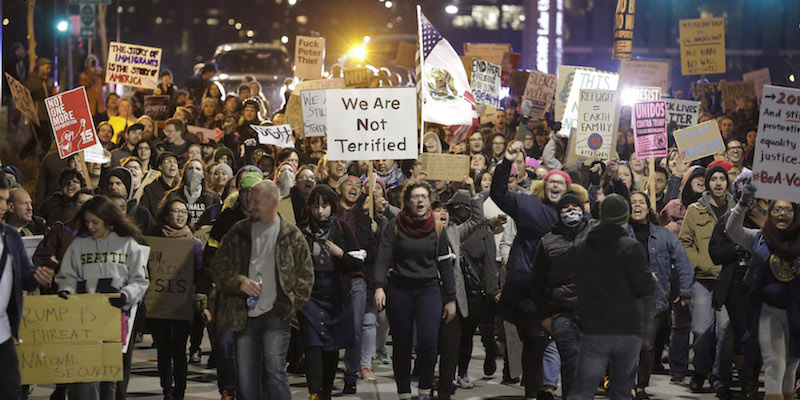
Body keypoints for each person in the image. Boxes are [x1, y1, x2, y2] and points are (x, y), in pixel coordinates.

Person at [209, 180, 314, 400]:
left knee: (274, 372)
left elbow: (306, 276)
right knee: (246, 378)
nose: (251, 205)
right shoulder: (238, 232)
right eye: (249, 199)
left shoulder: (291, 236)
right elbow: (218, 266)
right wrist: (238, 281)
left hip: (277, 315)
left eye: (257, 201)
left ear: (273, 201)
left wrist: (291, 305)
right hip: (242, 315)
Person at [490, 141, 571, 400]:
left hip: (561, 290)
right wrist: (506, 164)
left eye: (561, 183)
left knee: (560, 343)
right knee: (535, 339)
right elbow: (499, 194)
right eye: (551, 182)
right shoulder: (529, 206)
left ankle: (553, 388)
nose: (555, 186)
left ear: (569, 189)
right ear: (543, 187)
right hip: (528, 289)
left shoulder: (576, 216)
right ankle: (532, 393)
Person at [55, 196, 149, 400]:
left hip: (113, 318)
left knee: (109, 376)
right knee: (85, 374)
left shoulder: (127, 244)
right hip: (84, 318)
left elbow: (140, 280)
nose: (90, 226)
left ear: (108, 219)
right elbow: (67, 275)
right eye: (87, 221)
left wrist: (125, 296)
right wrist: (67, 290)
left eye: (94, 222)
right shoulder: (79, 244)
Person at [373, 181, 457, 400]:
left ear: (429, 201)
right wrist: (379, 287)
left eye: (423, 196)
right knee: (402, 342)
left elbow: (445, 265)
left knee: (429, 341)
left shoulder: (438, 228)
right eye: (414, 197)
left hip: (428, 289)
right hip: (400, 288)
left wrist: (451, 299)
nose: (419, 200)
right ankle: (403, 392)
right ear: (407, 201)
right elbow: (383, 258)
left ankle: (425, 390)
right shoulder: (394, 226)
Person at [570, 194, 656, 400]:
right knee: (621, 391)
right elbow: (643, 286)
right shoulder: (631, 247)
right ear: (624, 217)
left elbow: (577, 284)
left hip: (594, 328)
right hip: (627, 329)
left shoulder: (583, 246)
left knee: (583, 389)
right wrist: (651, 279)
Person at [726, 185, 800, 400]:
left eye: (787, 209)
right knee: (774, 362)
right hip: (769, 310)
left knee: (792, 364)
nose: (782, 214)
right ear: (769, 213)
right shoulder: (759, 237)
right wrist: (742, 204)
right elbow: (733, 231)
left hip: (797, 311)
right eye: (776, 209)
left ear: (795, 213)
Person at [298, 185, 364, 400]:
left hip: (336, 295)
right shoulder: (301, 230)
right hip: (310, 295)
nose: (320, 211)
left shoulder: (342, 228)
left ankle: (325, 391)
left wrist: (340, 253)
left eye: (324, 206)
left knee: (331, 346)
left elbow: (357, 262)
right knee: (313, 344)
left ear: (332, 207)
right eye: (315, 205)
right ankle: (314, 393)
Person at [628, 191, 694, 399]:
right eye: (633, 202)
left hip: (652, 297)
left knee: (647, 345)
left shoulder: (663, 235)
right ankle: (624, 382)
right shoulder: (620, 233)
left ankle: (641, 385)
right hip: (624, 297)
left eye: (641, 202)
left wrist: (684, 290)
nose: (637, 206)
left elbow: (683, 262)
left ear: (648, 208)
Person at [679, 164, 735, 396]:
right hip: (702, 279)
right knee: (702, 330)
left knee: (725, 330)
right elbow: (684, 242)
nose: (719, 183)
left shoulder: (737, 211)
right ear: (708, 183)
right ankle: (700, 371)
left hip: (729, 280)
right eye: (714, 179)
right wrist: (699, 263)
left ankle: (721, 379)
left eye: (723, 178)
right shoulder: (695, 210)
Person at [532, 191, 593, 399]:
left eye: (574, 207)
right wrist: (545, 316)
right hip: (562, 313)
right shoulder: (548, 242)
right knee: (572, 359)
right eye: (565, 208)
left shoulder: (595, 234)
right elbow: (537, 283)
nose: (571, 210)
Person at [0, 175, 55, 398]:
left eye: (4, 199)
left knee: (11, 390)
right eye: (0, 199)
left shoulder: (10, 236)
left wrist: (38, 276)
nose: (3, 206)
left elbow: (25, 276)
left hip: (3, 333)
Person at [150, 198, 206, 400]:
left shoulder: (195, 244)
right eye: (175, 211)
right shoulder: (155, 242)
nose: (181, 215)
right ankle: (167, 388)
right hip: (160, 303)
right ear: (166, 215)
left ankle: (179, 391)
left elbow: (201, 272)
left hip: (183, 303)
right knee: (163, 347)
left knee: (179, 348)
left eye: (184, 211)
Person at [163, 159, 221, 229]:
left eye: (198, 169)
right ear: (185, 173)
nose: (194, 172)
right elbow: (163, 219)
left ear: (203, 175)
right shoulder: (173, 195)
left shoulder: (213, 197)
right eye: (190, 168)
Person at [22, 57, 55, 156]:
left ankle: (37, 157)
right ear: (40, 67)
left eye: (49, 68)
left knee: (43, 137)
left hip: (47, 113)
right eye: (46, 67)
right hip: (37, 114)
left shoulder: (48, 81)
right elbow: (26, 95)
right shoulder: (33, 80)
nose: (48, 70)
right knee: (40, 137)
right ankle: (26, 154)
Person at [140, 152, 180, 218]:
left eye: (175, 162)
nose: (172, 164)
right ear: (160, 167)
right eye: (168, 162)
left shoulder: (180, 188)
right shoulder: (150, 189)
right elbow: (144, 215)